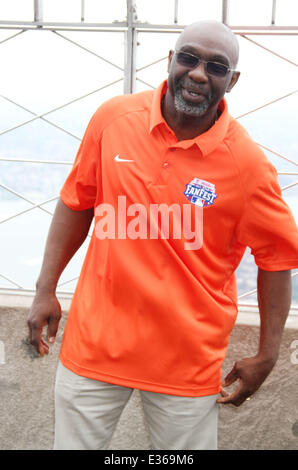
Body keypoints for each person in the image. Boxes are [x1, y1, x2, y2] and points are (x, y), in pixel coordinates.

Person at [27, 20, 298, 450]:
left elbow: (278, 260)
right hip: (93, 350)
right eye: (188, 58)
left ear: (233, 80)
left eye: (216, 66)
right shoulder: (114, 119)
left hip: (187, 366)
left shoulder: (248, 166)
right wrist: (45, 289)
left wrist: (268, 354)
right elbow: (77, 201)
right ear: (170, 60)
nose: (197, 73)